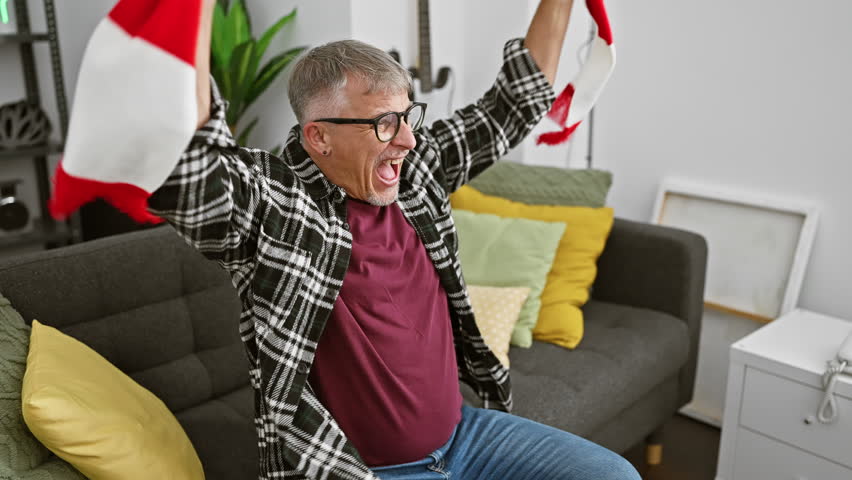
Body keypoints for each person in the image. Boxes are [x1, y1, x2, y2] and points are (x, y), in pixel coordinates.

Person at [147, 0, 642, 478]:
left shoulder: (417, 170)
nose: (406, 139)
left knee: (613, 474)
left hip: (467, 435)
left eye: (408, 116)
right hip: (361, 469)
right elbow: (194, 180)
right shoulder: (277, 202)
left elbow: (515, 103)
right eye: (385, 123)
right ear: (319, 136)